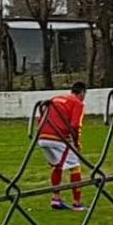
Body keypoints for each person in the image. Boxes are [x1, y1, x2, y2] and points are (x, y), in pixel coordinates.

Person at [38, 82, 88, 211]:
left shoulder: (55, 99)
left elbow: (40, 117)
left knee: (57, 166)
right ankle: (77, 203)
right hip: (59, 137)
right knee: (75, 167)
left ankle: (55, 199)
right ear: (82, 93)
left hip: (42, 137)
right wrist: (76, 144)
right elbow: (75, 125)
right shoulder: (78, 103)